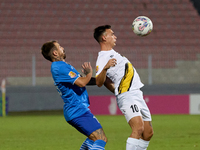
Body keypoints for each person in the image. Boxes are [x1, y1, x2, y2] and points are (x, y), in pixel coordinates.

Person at [93, 25, 153, 150]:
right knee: (138, 128)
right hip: (127, 94)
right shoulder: (103, 57)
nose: (115, 36)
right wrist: (105, 68)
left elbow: (106, 82)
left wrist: (115, 90)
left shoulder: (113, 54)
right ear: (104, 38)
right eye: (112, 34)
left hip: (136, 93)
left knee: (147, 133)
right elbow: (99, 81)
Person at [41, 41, 107, 150]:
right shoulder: (59, 67)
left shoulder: (62, 66)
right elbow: (82, 82)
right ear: (55, 53)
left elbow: (82, 80)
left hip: (76, 109)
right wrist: (89, 72)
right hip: (77, 109)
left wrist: (102, 80)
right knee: (101, 139)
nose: (63, 48)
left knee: (92, 139)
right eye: (59, 47)